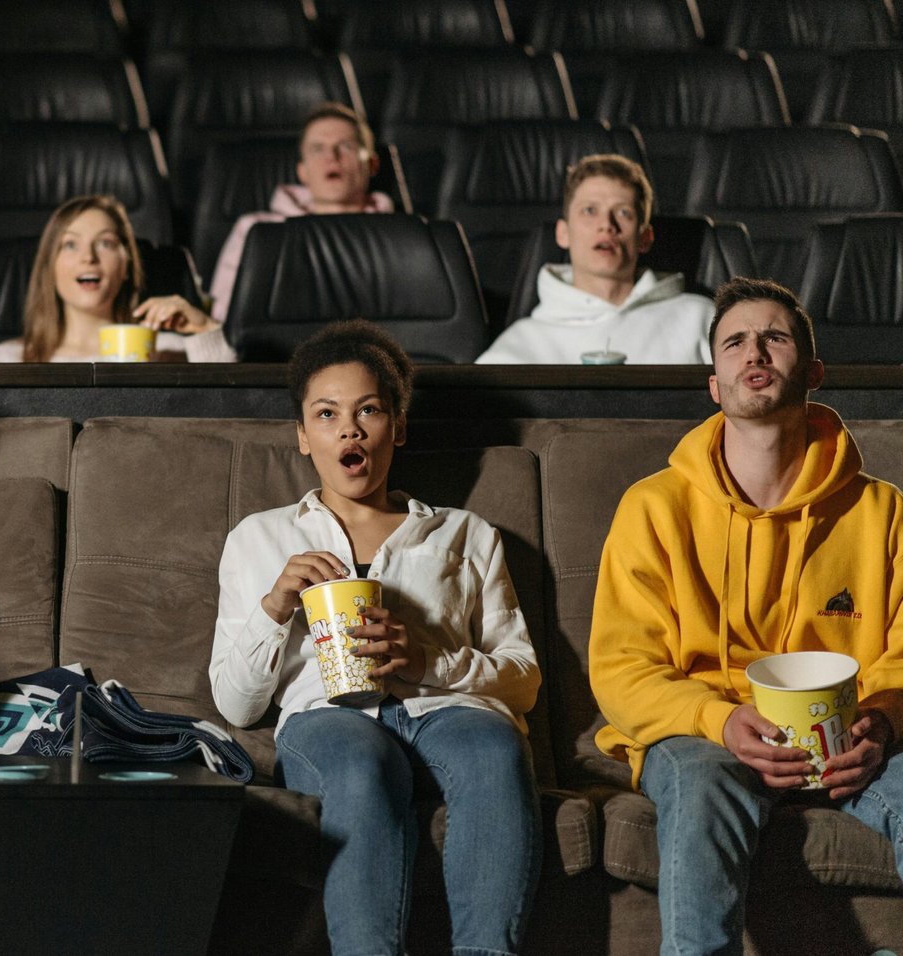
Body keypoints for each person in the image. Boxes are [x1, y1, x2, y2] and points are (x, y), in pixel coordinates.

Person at [589, 277, 903, 953]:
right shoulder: (653, 508)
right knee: (702, 781)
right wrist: (719, 720)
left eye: (774, 337)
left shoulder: (882, 511)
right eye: (734, 342)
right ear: (715, 385)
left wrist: (882, 721)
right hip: (704, 734)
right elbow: (622, 667)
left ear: (813, 372)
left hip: (843, 737)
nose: (754, 351)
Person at [209, 319, 541, 956]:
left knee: (496, 747)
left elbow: (522, 679)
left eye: (369, 411)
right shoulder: (260, 536)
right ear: (303, 436)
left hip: (446, 710)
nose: (350, 430)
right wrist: (276, 606)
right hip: (328, 719)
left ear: (399, 427)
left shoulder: (464, 533)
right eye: (327, 414)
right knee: (362, 762)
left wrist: (425, 659)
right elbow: (236, 705)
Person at [476, 154, 713, 365]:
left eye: (623, 212)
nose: (606, 225)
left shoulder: (700, 319)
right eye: (590, 210)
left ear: (645, 238)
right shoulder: (520, 344)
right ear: (563, 233)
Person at [0, 194, 238, 363]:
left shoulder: (169, 351)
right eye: (70, 245)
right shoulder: (7, 360)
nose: (88, 257)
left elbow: (229, 409)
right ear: (50, 268)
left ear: (126, 265)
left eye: (105, 243)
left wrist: (205, 330)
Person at [207, 103, 395, 322]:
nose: (331, 157)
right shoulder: (255, 230)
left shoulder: (401, 235)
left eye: (346, 146)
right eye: (317, 149)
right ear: (302, 171)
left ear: (372, 164)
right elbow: (223, 316)